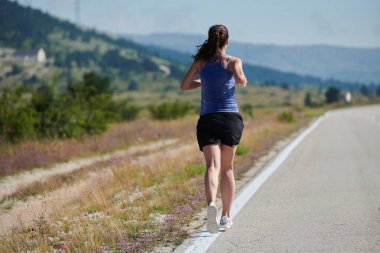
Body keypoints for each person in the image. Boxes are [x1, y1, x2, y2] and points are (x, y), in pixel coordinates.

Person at [180, 24, 247, 234]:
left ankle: (211, 205)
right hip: (230, 119)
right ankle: (226, 216)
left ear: (210, 40)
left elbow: (184, 86)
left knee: (212, 167)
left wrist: (203, 82)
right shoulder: (233, 61)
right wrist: (241, 79)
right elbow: (240, 79)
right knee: (227, 169)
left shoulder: (200, 62)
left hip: (208, 119)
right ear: (227, 41)